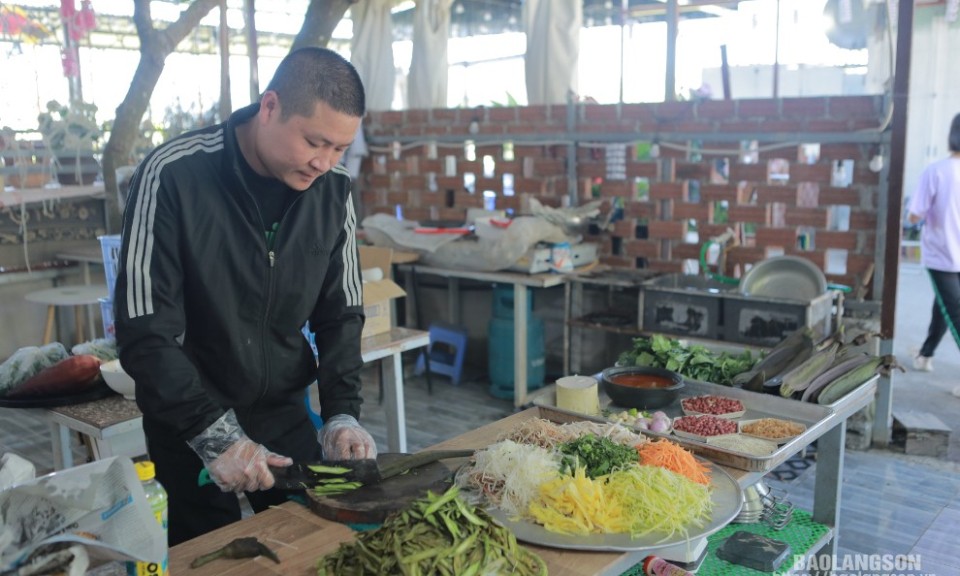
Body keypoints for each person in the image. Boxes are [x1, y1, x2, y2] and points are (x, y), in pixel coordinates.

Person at [114, 47, 378, 546]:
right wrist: (213, 434)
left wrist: (343, 411)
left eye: (340, 148)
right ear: (271, 107)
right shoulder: (174, 174)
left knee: (309, 543)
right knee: (208, 553)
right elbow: (144, 329)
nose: (325, 162)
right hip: (188, 417)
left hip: (283, 411)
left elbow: (340, 313)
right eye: (314, 142)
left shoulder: (333, 190)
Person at [906, 112, 960, 391]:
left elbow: (914, 215)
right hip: (952, 256)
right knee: (946, 308)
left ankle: (925, 354)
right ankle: (925, 355)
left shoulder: (936, 171)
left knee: (954, 312)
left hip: (944, 256)